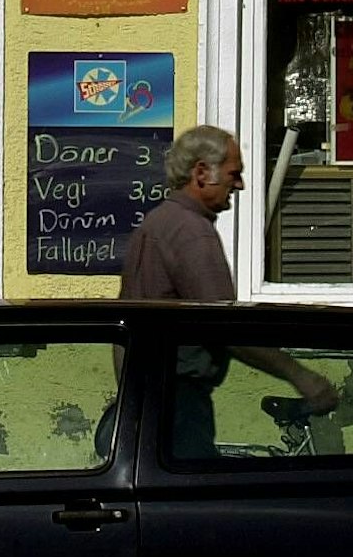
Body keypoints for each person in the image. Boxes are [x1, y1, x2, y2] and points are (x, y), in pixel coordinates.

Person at [120, 124, 338, 457]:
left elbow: (123, 329)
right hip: (180, 403)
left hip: (149, 399)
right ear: (201, 173)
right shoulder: (192, 233)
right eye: (234, 174)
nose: (241, 185)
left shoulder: (154, 224)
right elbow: (224, 326)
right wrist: (301, 376)